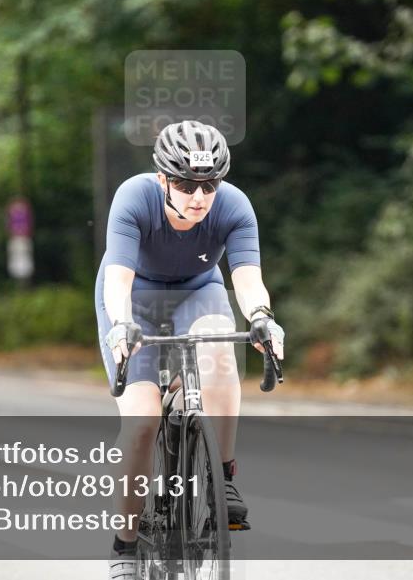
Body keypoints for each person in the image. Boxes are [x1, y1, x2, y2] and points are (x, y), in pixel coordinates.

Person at [97, 120, 285, 579]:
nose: (199, 197)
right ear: (162, 179)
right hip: (136, 298)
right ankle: (124, 546)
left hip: (199, 291)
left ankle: (224, 476)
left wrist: (262, 317)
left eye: (209, 185)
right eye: (185, 185)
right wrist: (121, 325)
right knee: (142, 423)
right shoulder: (133, 197)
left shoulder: (234, 205)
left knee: (219, 354)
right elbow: (118, 280)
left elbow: (247, 279)